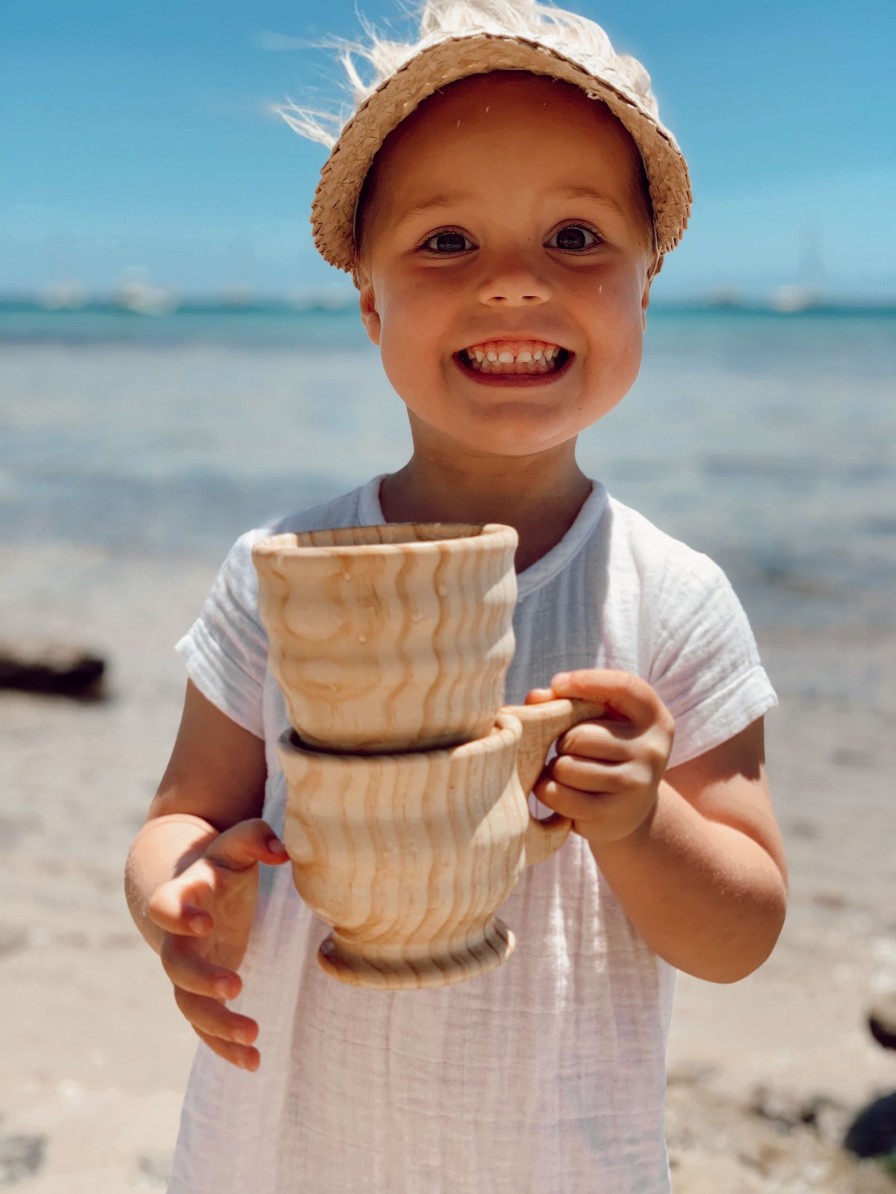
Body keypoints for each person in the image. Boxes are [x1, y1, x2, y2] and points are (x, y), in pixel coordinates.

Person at [125, 1, 788, 1189]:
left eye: (577, 238)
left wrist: (642, 824)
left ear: (644, 289)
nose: (513, 285)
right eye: (444, 244)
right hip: (287, 1149)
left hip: (553, 1154)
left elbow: (739, 933)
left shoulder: (672, 599)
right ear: (370, 302)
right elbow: (183, 812)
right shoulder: (280, 569)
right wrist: (179, 897)